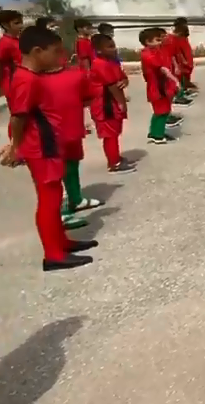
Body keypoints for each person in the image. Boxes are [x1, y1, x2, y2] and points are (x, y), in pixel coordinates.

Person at [0, 25, 97, 271]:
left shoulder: (30, 77)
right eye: (54, 52)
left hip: (49, 145)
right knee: (49, 200)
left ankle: (61, 243)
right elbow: (18, 116)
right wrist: (15, 148)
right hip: (41, 148)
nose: (58, 58)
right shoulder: (27, 79)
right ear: (37, 51)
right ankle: (53, 255)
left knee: (53, 197)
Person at [41, 54, 104, 220]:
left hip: (72, 129)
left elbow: (88, 97)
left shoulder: (76, 75)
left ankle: (76, 199)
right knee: (54, 171)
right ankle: (60, 212)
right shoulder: (34, 78)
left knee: (72, 163)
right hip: (48, 134)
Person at [89, 34, 136, 174]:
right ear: (98, 50)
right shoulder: (100, 64)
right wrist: (121, 103)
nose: (114, 49)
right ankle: (113, 163)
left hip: (112, 104)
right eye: (110, 47)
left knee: (114, 131)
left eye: (114, 45)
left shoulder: (112, 62)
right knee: (110, 134)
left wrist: (125, 81)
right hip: (105, 105)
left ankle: (115, 156)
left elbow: (122, 78)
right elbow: (111, 86)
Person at [139, 28, 181, 144]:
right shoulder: (148, 54)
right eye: (157, 40)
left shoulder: (154, 51)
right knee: (161, 111)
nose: (160, 42)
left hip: (161, 85)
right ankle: (157, 135)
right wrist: (175, 80)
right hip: (158, 87)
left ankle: (156, 132)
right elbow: (162, 69)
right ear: (148, 41)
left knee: (161, 110)